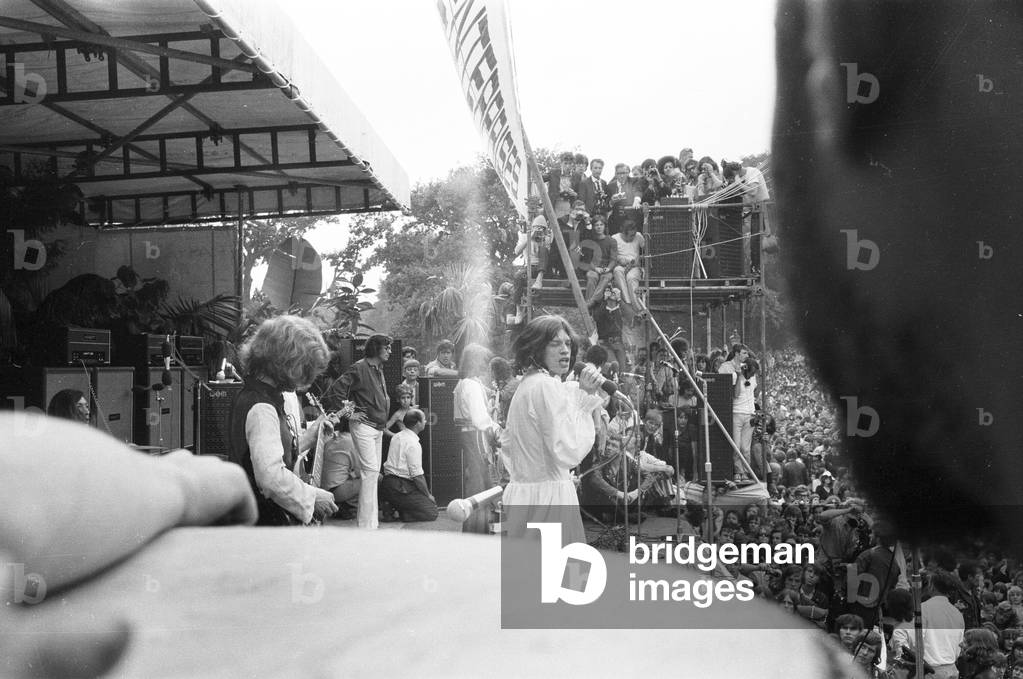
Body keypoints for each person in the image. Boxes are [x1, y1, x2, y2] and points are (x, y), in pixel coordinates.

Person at [499, 315, 604, 544]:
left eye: (568, 344)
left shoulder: (529, 383)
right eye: (555, 344)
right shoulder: (545, 386)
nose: (565, 350)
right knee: (558, 576)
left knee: (531, 575)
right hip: (548, 501)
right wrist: (586, 398)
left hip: (526, 496)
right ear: (536, 348)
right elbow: (568, 449)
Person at [228, 315, 338, 526]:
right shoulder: (262, 408)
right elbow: (270, 477)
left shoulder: (254, 396)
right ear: (289, 363)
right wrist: (312, 497)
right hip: (266, 524)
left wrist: (311, 437)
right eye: (307, 368)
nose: (310, 378)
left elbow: (269, 456)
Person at [335, 333, 393, 530]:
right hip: (364, 427)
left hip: (375, 428)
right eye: (387, 348)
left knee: (372, 475)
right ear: (376, 348)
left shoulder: (377, 368)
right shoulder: (360, 367)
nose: (390, 351)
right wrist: (349, 414)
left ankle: (370, 525)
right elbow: (336, 390)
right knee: (370, 474)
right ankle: (366, 528)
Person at [453, 343, 502, 534]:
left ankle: (477, 527)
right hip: (475, 435)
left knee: (478, 480)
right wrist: (497, 430)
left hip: (468, 435)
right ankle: (477, 528)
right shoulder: (471, 385)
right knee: (480, 482)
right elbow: (481, 419)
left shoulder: (464, 383)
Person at [378, 409, 438, 523]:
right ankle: (404, 513)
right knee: (432, 512)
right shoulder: (413, 444)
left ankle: (391, 504)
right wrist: (428, 495)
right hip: (401, 487)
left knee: (417, 498)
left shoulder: (396, 437)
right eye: (423, 419)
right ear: (417, 424)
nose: (425, 421)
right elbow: (417, 476)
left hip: (387, 483)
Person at [718, 343, 757, 480]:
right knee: (736, 446)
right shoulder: (728, 368)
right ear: (737, 353)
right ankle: (738, 472)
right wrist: (739, 376)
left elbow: (754, 392)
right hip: (736, 412)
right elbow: (733, 393)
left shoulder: (752, 376)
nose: (747, 356)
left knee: (745, 448)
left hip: (750, 414)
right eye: (744, 353)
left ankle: (746, 472)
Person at [923, 571, 967, 679]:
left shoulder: (923, 609)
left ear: (931, 586)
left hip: (930, 671)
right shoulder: (957, 613)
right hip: (951, 670)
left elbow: (916, 642)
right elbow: (959, 648)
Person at [611, 219, 646, 312]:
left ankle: (637, 309)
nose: (633, 237)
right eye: (631, 235)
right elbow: (611, 256)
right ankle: (628, 304)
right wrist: (619, 259)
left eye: (634, 234)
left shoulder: (638, 236)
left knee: (631, 278)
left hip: (634, 266)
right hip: (620, 265)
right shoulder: (614, 238)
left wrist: (638, 260)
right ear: (623, 233)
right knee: (617, 271)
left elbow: (646, 249)